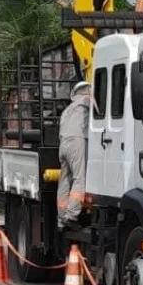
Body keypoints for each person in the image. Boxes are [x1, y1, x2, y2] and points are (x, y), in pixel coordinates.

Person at [57, 81, 93, 229]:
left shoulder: (68, 110)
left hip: (63, 144)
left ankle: (61, 217)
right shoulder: (87, 101)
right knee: (79, 178)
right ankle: (71, 216)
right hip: (77, 141)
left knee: (65, 181)